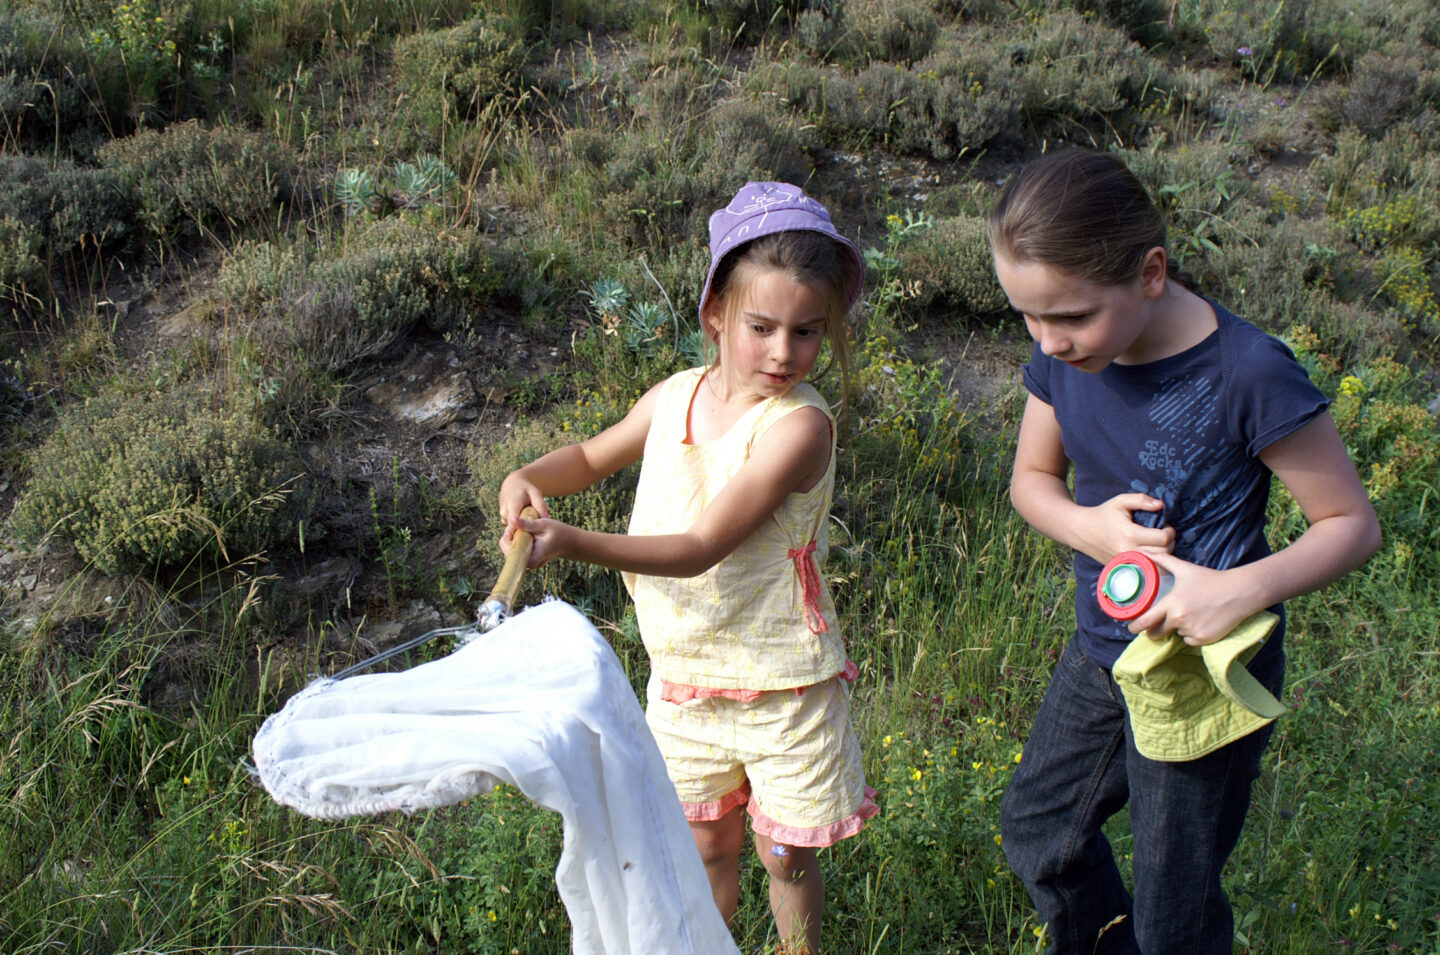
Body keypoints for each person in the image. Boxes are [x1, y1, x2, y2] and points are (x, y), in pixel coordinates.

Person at [987, 149, 1381, 954]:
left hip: (1204, 674)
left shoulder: (1248, 371)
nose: (1050, 341)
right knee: (1039, 827)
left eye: (1070, 316)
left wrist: (1234, 592)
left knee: (1176, 906)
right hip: (1102, 651)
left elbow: (1351, 524)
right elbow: (1032, 480)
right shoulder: (1066, 357)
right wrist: (1092, 529)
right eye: (1028, 316)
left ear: (1151, 273)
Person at [498, 181, 878, 955]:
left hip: (782, 682)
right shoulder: (674, 397)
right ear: (716, 316)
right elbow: (589, 457)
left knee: (785, 850)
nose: (784, 351)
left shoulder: (799, 427)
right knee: (705, 844)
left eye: (807, 332)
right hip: (686, 675)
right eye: (762, 327)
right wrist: (526, 474)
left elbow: (703, 545)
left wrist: (570, 541)